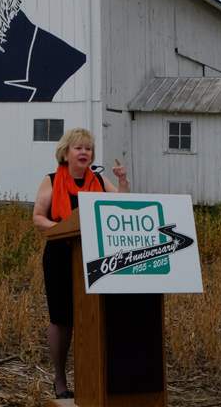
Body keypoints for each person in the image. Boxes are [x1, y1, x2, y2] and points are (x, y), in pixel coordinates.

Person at [32, 127, 128, 399]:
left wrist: (122, 181)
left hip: (96, 256)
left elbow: (121, 206)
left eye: (88, 148)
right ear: (66, 152)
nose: (84, 152)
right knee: (62, 319)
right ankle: (60, 380)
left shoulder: (98, 180)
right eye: (79, 147)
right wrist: (63, 230)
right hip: (61, 256)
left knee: (93, 318)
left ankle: (93, 378)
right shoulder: (51, 180)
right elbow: (38, 217)